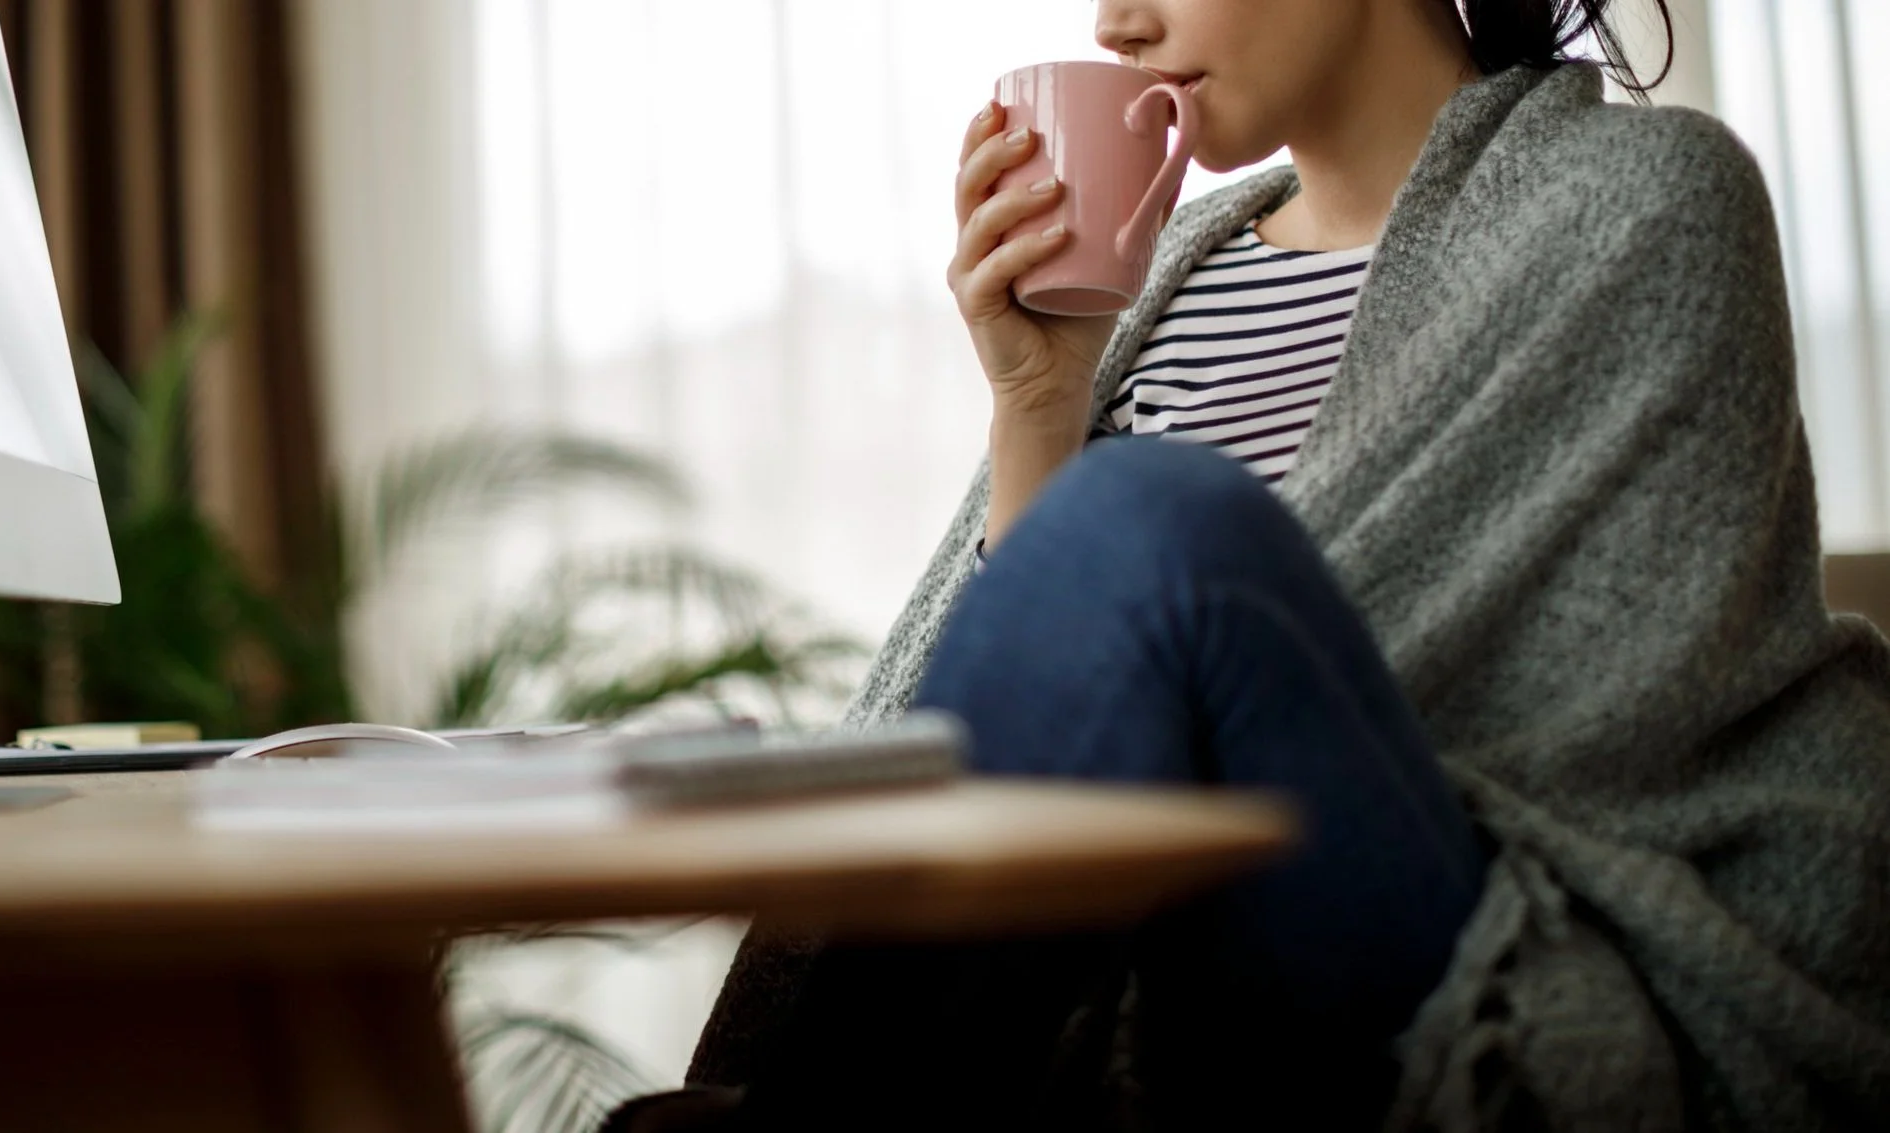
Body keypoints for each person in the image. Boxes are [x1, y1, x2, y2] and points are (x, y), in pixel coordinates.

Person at [608, 0, 1890, 1130]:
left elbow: (1585, 706)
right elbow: (1045, 708)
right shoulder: (1166, 271)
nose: (1112, 22)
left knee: (1150, 519)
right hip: (1119, 957)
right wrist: (1037, 403)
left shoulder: (1638, 198)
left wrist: (1132, 531)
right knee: (1128, 521)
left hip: (1467, 937)